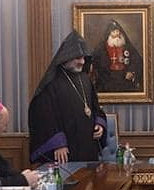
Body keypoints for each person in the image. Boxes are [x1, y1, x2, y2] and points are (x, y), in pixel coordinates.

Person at [29, 31, 105, 164]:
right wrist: (57, 143)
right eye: (78, 58)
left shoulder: (85, 79)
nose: (82, 62)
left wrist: (99, 124)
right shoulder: (52, 83)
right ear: (66, 57)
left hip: (89, 146)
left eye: (83, 58)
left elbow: (95, 106)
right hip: (66, 150)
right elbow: (44, 115)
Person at [90, 18, 144, 94]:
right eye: (113, 32)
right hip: (107, 79)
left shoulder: (127, 46)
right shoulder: (101, 48)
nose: (116, 34)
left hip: (124, 78)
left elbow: (137, 60)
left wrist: (131, 72)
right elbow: (94, 61)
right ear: (109, 34)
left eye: (117, 31)